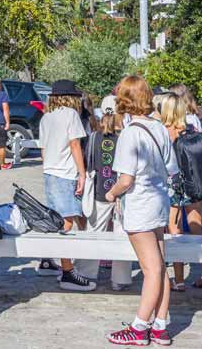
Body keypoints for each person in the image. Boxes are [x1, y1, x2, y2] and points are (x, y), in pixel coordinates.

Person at [104, 76, 179, 347]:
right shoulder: (159, 128)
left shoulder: (130, 133)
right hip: (159, 201)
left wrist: (111, 194)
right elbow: (172, 169)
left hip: (140, 205)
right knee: (160, 266)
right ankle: (160, 326)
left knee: (151, 269)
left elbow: (126, 180)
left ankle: (139, 327)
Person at [35, 80, 95, 291]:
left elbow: (43, 149)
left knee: (56, 220)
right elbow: (75, 144)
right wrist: (82, 173)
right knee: (66, 223)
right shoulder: (71, 115)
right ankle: (68, 272)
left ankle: (47, 260)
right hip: (66, 173)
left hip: (50, 171)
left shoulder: (46, 117)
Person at [161, 94, 202, 291]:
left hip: (173, 183)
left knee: (174, 228)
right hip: (193, 182)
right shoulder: (191, 128)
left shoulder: (164, 131)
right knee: (196, 225)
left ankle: (179, 279)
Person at [77, 110, 133, 291]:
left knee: (94, 232)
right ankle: (120, 279)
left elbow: (88, 160)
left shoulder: (94, 137)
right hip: (121, 191)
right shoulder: (124, 138)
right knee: (122, 235)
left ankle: (86, 273)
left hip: (99, 190)